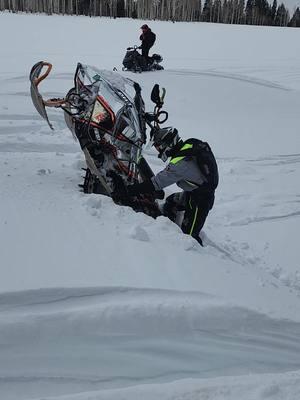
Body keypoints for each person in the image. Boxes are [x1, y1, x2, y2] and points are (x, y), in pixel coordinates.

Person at [113, 127, 219, 246]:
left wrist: (128, 191)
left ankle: (202, 259)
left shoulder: (179, 164)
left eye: (159, 147)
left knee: (190, 239)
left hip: (200, 201)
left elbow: (156, 183)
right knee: (170, 203)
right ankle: (169, 230)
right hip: (193, 192)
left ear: (167, 144)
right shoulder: (189, 145)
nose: (159, 151)